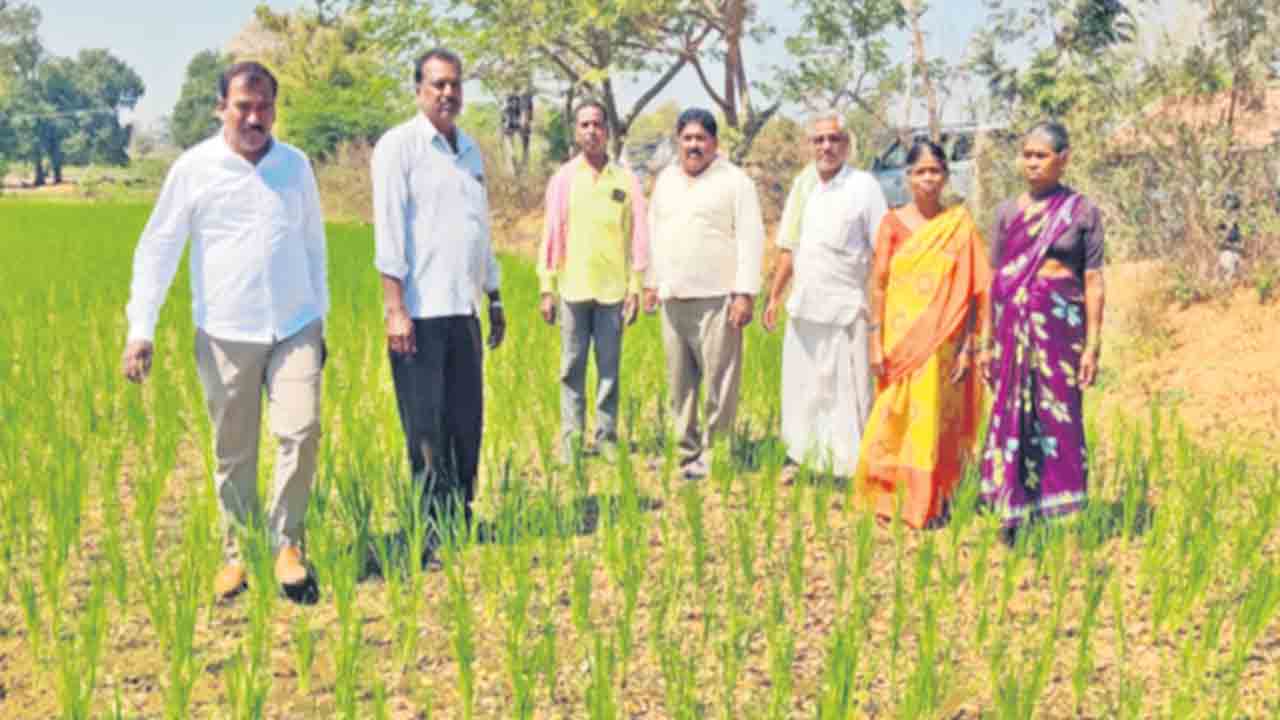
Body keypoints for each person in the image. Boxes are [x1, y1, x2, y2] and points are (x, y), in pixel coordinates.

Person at [121, 61, 328, 600]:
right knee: (233, 451)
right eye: (243, 107)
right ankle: (238, 553)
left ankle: (288, 544)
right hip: (225, 332)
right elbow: (159, 248)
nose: (255, 118)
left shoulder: (295, 166)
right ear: (221, 109)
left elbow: (313, 247)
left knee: (300, 432)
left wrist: (320, 318)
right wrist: (141, 328)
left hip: (295, 326)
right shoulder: (194, 169)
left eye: (264, 108)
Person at [371, 48, 505, 532]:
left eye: (455, 84)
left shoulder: (469, 150)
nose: (448, 93)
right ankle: (429, 525)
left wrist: (494, 296)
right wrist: (395, 308)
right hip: (420, 312)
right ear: (419, 90)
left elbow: (479, 229)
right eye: (438, 84)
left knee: (465, 422)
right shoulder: (398, 147)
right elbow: (388, 233)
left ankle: (461, 515)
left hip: (463, 309)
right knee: (425, 428)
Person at [853, 139, 990, 528]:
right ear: (907, 177)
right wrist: (875, 340)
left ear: (946, 176)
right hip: (899, 340)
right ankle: (887, 496)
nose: (928, 178)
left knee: (933, 417)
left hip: (943, 342)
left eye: (935, 170)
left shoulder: (958, 227)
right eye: (920, 171)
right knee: (895, 415)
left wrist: (970, 345)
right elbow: (878, 285)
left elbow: (977, 289)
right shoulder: (892, 224)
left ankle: (933, 500)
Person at [978, 121, 1105, 533]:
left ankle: (1062, 513)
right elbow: (993, 280)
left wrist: (1092, 345)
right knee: (1013, 412)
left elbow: (1093, 279)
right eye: (1027, 155)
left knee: (1059, 415)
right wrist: (984, 343)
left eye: (1041, 156)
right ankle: (1011, 512)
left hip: (1060, 329)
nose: (1032, 163)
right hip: (1012, 329)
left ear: (1063, 158)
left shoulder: (1082, 212)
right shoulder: (1007, 213)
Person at [763, 111, 888, 478]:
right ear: (810, 146)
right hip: (806, 305)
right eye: (818, 140)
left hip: (846, 307)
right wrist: (774, 296)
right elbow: (789, 246)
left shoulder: (864, 187)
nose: (826, 146)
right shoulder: (804, 186)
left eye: (834, 139)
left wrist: (883, 306)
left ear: (847, 145)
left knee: (847, 391)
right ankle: (803, 457)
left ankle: (849, 465)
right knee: (805, 387)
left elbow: (883, 249)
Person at [645, 108, 766, 479]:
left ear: (714, 143)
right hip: (673, 297)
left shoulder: (735, 182)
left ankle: (718, 453)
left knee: (720, 382)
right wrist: (651, 282)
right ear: (677, 141)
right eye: (687, 138)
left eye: (701, 138)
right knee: (679, 384)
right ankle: (685, 451)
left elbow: (750, 238)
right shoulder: (665, 180)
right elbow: (654, 231)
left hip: (718, 299)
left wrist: (744, 293)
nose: (693, 145)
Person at [538, 100, 649, 463]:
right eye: (584, 124)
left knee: (609, 368)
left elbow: (637, 237)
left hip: (612, 292)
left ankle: (606, 436)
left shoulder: (626, 181)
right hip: (572, 288)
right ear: (576, 131)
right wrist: (547, 287)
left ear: (608, 131)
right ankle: (571, 437)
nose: (591, 131)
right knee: (571, 367)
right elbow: (550, 235)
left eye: (597, 124)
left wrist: (635, 287)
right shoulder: (563, 180)